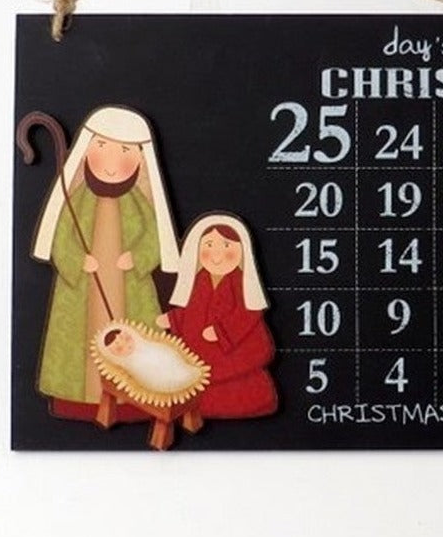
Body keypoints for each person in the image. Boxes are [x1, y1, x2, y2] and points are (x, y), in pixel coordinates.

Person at [30, 106, 179, 422]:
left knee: (131, 341)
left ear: (140, 159)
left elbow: (154, 237)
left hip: (128, 286)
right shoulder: (77, 202)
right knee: (82, 342)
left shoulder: (140, 204)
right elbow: (61, 239)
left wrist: (137, 257)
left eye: (125, 151)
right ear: (87, 150)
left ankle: (132, 402)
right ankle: (79, 400)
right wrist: (76, 260)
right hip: (82, 289)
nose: (112, 162)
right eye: (102, 146)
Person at [157, 213, 277, 419]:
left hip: (233, 346)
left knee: (232, 379)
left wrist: (223, 331)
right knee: (197, 377)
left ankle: (239, 404)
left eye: (226, 246)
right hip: (200, 347)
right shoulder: (199, 280)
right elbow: (191, 309)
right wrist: (174, 318)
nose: (217, 255)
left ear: (242, 251)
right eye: (209, 245)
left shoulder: (242, 283)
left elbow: (248, 312)